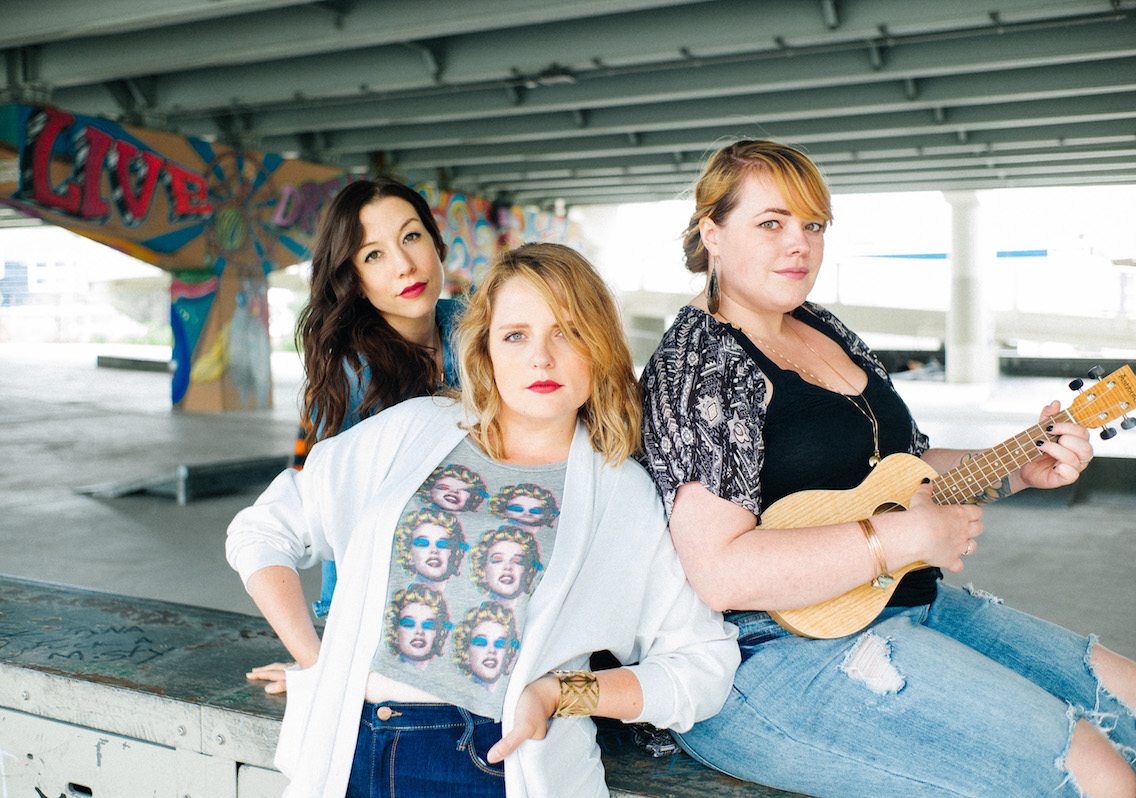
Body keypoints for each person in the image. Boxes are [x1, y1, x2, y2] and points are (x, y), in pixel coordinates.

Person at [640, 139, 1136, 798]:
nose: (800, 244)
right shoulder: (703, 366)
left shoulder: (822, 327)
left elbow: (905, 473)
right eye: (771, 223)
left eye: (813, 225)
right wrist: (900, 540)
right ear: (714, 233)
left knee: (1126, 694)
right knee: (1093, 773)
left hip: (900, 600)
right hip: (766, 655)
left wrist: (1024, 465)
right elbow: (721, 572)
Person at [226, 242, 737, 797]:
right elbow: (263, 530)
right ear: (486, 350)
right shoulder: (412, 431)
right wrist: (319, 660)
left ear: (602, 348)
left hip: (494, 764)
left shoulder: (623, 494)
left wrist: (561, 693)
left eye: (567, 330)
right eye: (515, 334)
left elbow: (700, 664)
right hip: (345, 752)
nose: (541, 357)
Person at [249, 176, 462, 694]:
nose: (404, 266)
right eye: (373, 255)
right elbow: (321, 515)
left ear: (437, 245)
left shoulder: (475, 328)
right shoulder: (355, 375)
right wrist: (323, 664)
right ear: (353, 279)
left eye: (411, 238)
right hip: (391, 611)